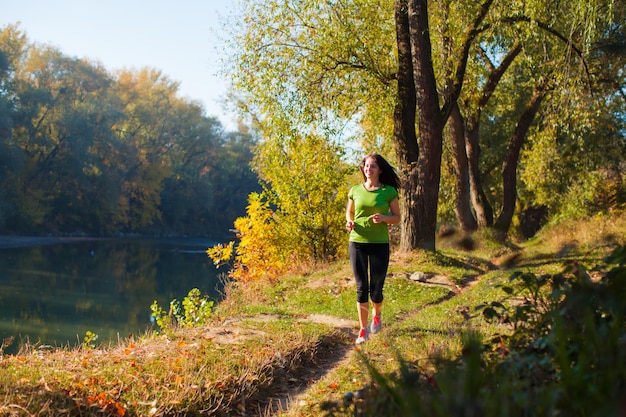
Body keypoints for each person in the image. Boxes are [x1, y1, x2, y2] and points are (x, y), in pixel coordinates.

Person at [345, 154, 401, 344]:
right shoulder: (355, 190)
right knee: (361, 288)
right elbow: (350, 211)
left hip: (379, 244)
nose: (369, 169)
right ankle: (362, 330)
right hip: (357, 241)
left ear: (380, 170)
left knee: (375, 291)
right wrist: (349, 221)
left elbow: (397, 217)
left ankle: (377, 315)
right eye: (367, 166)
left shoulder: (389, 191)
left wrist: (384, 218)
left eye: (373, 166)